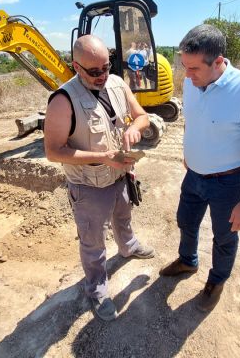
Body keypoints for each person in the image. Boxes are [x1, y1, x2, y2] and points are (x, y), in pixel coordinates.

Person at [159, 24, 240, 312]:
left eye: (194, 68)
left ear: (219, 62)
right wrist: (189, 152)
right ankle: (188, 261)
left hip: (229, 182)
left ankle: (217, 279)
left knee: (224, 237)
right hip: (194, 175)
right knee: (186, 221)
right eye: (184, 66)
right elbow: (192, 120)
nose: (187, 75)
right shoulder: (191, 82)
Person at [44, 34, 155, 322]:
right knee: (93, 242)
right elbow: (54, 151)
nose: (102, 75)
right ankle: (97, 289)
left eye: (106, 67)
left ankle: (128, 247)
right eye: (94, 71)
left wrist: (135, 130)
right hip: (88, 186)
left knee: (123, 216)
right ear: (76, 67)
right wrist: (99, 157)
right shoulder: (62, 101)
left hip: (120, 175)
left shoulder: (117, 84)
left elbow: (142, 116)